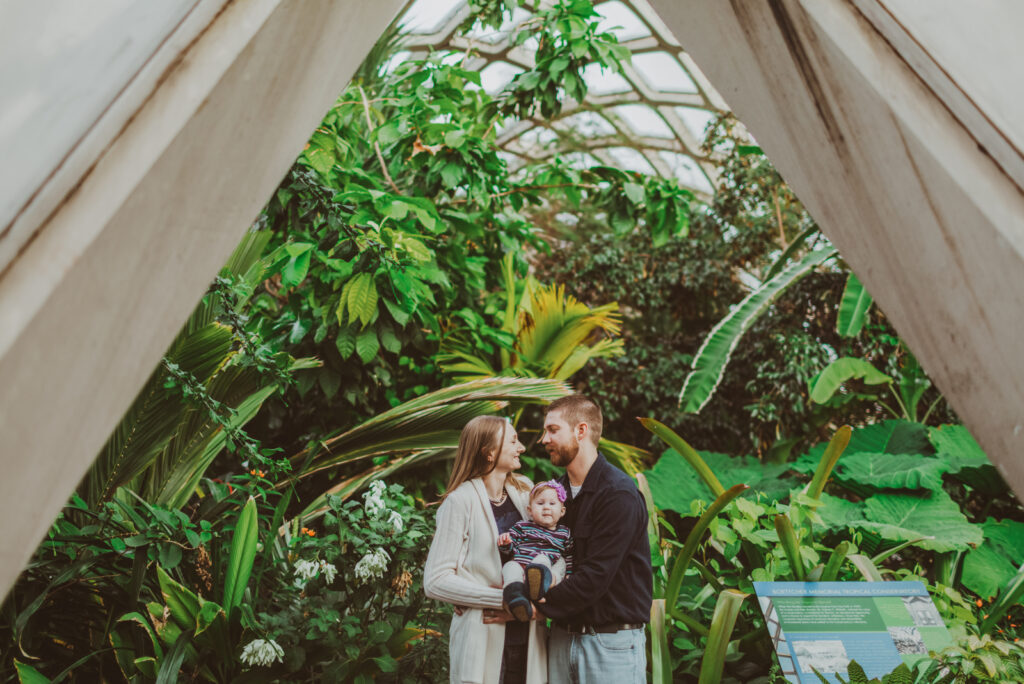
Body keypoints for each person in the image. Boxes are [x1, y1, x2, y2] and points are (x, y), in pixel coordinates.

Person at [536, 394, 652, 684]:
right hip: (561, 639)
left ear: (581, 431)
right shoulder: (554, 496)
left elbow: (595, 577)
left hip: (611, 645)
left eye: (552, 430)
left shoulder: (618, 494)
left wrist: (531, 607)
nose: (543, 439)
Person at [423, 415, 547, 684]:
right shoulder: (460, 502)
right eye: (513, 441)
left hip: (528, 640)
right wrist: (500, 599)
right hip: (482, 639)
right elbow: (435, 580)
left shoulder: (525, 491)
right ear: (489, 453)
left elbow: (549, 542)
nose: (522, 447)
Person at [498, 480, 573, 621]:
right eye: (540, 503)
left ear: (562, 511)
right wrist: (505, 543)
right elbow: (509, 549)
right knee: (509, 567)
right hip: (521, 565)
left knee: (542, 559)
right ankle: (516, 598)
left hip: (547, 569)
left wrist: (569, 573)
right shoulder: (522, 526)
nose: (546, 508)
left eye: (552, 504)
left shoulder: (564, 533)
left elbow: (568, 555)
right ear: (530, 511)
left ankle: (537, 583)